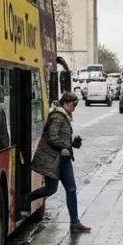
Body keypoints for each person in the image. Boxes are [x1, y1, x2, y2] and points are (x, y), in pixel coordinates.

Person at [24, 92, 90, 233]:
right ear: (65, 103)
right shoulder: (57, 117)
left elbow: (60, 138)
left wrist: (73, 144)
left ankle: (75, 222)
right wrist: (64, 146)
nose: (75, 108)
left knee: (71, 189)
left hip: (64, 160)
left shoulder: (64, 117)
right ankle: (26, 199)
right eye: (73, 104)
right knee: (51, 189)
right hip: (54, 160)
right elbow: (52, 137)